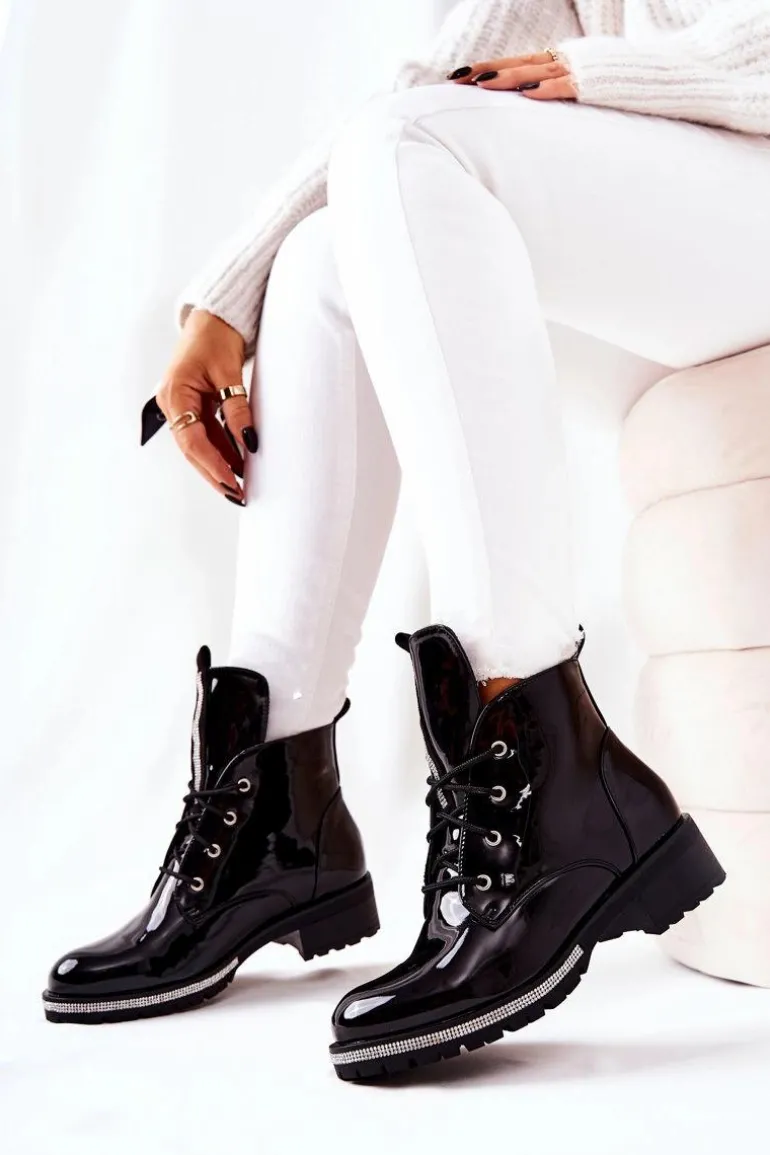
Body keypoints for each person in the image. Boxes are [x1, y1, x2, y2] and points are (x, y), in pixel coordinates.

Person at [43, 0, 770, 1081]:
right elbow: (440, 80)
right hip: (688, 231)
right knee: (327, 251)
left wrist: (620, 76)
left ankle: (540, 759)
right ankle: (276, 802)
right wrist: (225, 304)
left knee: (411, 145)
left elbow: (456, 113)